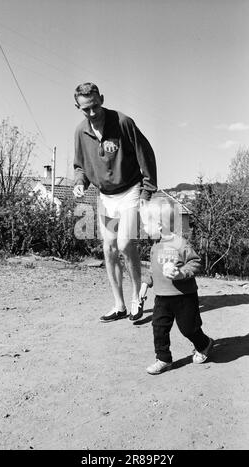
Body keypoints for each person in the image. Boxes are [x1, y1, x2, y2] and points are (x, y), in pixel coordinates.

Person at [73, 82, 157, 322]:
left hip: (130, 191)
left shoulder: (122, 122)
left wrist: (147, 191)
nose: (92, 113)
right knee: (109, 248)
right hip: (106, 198)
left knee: (124, 244)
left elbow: (146, 154)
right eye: (85, 109)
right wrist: (80, 182)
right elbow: (80, 166)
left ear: (101, 98)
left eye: (95, 106)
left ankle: (136, 298)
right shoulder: (81, 131)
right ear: (78, 106)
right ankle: (119, 305)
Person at [139, 197, 213, 374]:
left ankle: (204, 344)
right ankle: (163, 358)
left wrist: (180, 273)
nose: (143, 229)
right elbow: (153, 269)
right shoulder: (155, 245)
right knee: (159, 328)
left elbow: (195, 262)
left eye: (145, 225)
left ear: (158, 225)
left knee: (189, 328)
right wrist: (144, 286)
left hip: (184, 296)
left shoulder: (180, 244)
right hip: (162, 297)